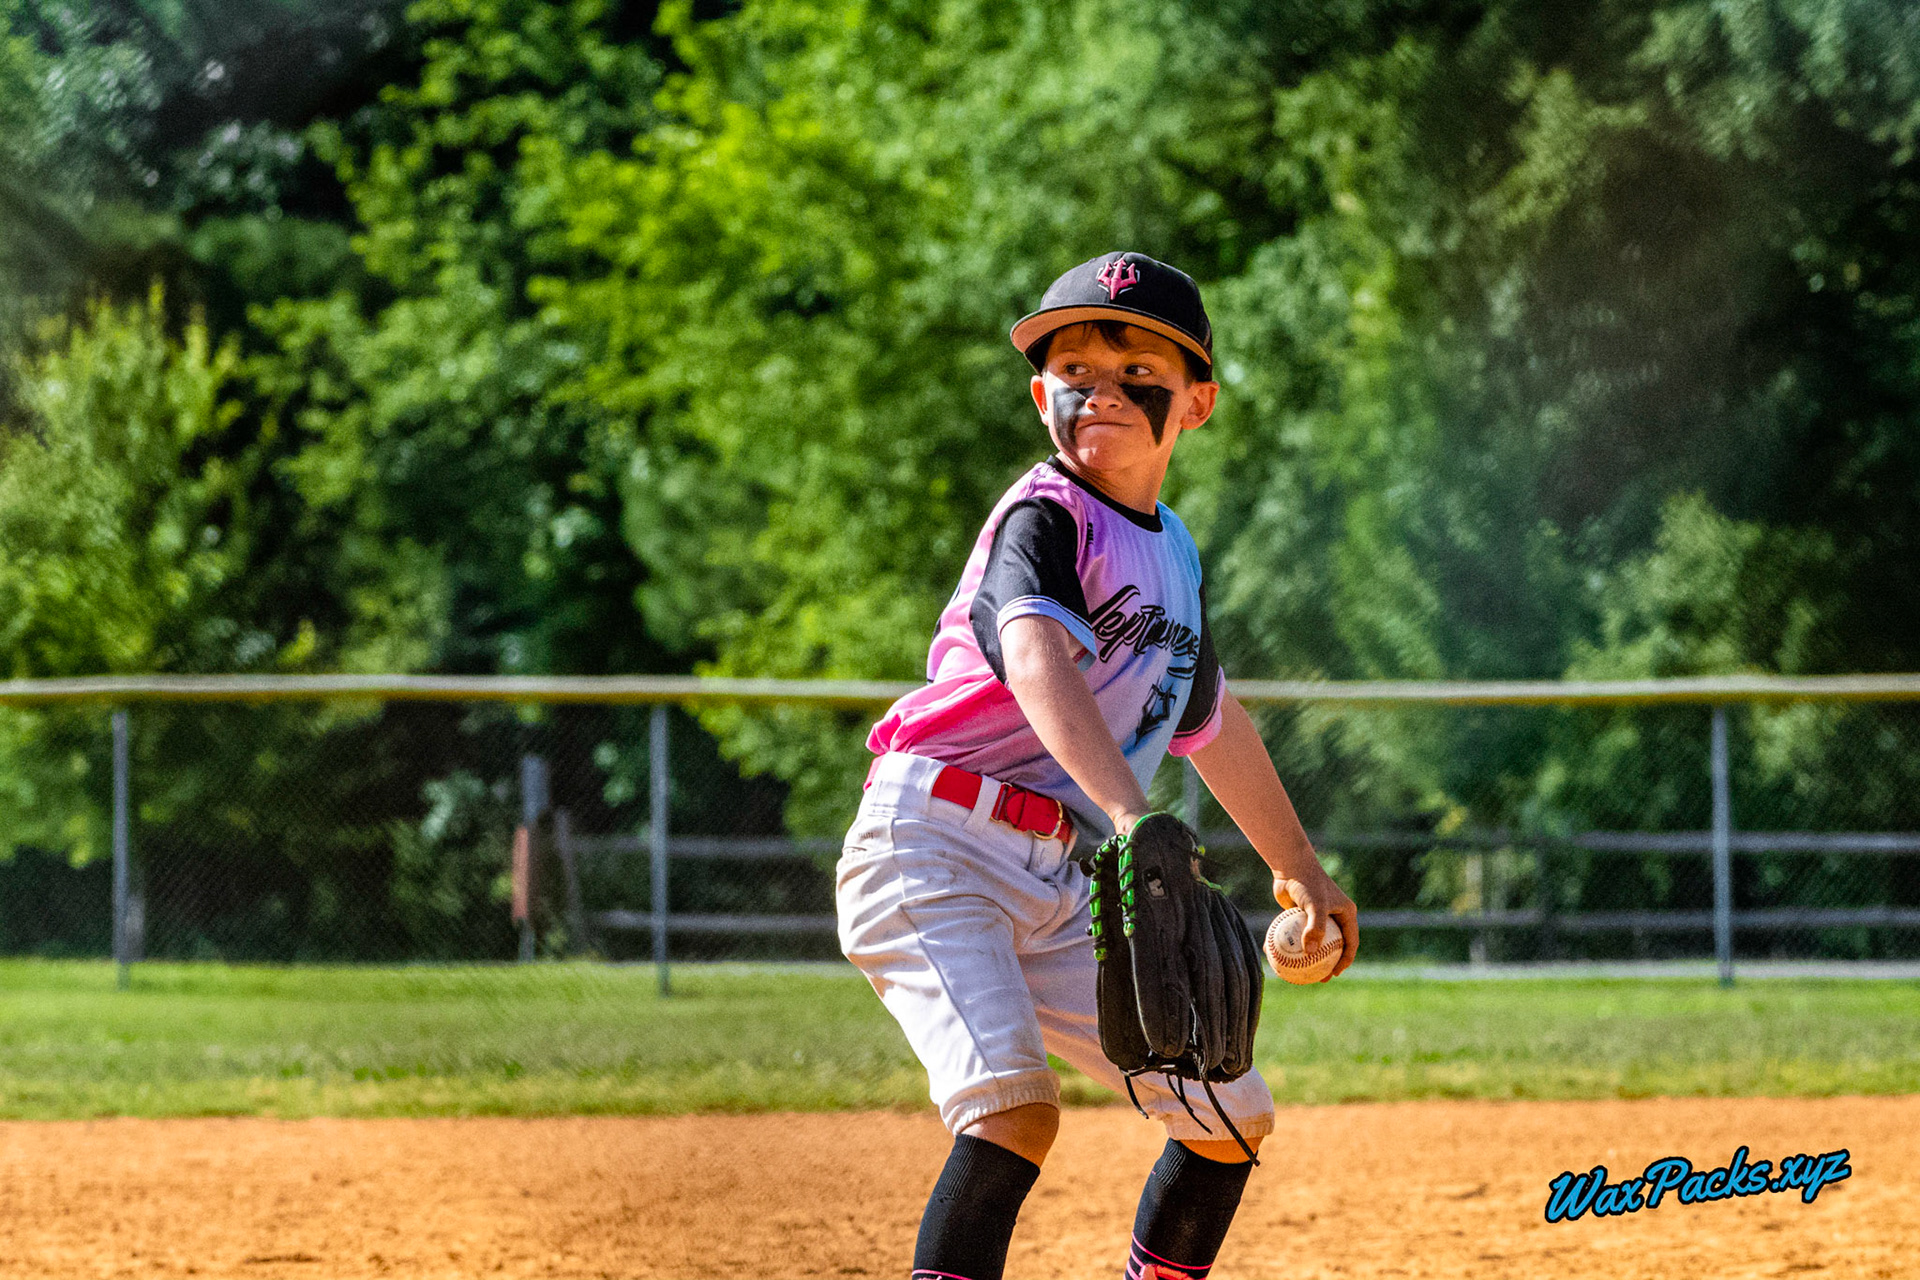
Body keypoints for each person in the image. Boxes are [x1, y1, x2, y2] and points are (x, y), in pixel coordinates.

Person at [836, 251, 1358, 1280]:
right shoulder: (1044, 516)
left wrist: (1298, 862)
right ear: (1041, 397)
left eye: (1137, 368)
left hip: (1061, 866)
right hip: (931, 841)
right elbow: (1033, 657)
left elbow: (1209, 716)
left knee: (1228, 1113)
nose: (1101, 388)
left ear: (1195, 402)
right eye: (1075, 366)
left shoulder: (1175, 553)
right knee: (1015, 1108)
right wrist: (1133, 814)